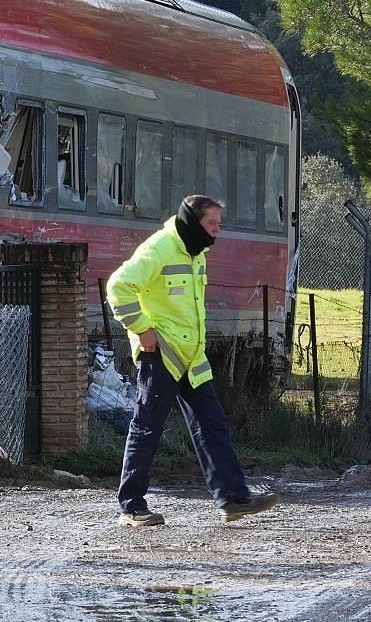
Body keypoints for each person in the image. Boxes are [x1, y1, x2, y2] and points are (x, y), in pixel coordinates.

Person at [107, 194, 280, 525]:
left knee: (213, 424)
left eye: (218, 224)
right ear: (192, 222)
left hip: (191, 356)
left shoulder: (195, 252)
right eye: (211, 224)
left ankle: (233, 499)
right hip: (162, 355)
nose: (216, 231)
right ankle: (131, 506)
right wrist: (142, 330)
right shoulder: (158, 249)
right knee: (147, 428)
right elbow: (118, 287)